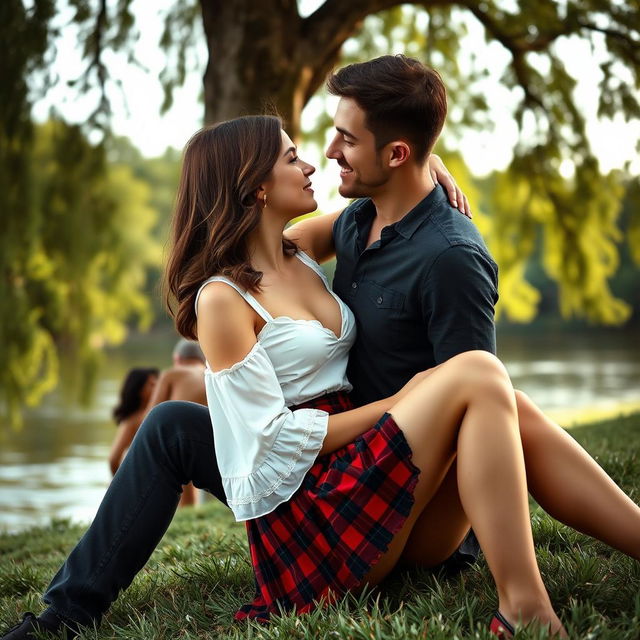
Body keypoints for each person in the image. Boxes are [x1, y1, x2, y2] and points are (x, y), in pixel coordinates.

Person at [2, 57, 639, 639]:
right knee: (476, 374)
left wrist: (423, 157)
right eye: (293, 157)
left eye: (328, 146)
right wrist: (401, 401)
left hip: (353, 469)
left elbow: (399, 186)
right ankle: (525, 606)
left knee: (513, 403)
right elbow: (271, 442)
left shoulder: (302, 251)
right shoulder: (229, 296)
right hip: (314, 510)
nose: (317, 161)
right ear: (255, 186)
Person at [145, 338, 207, 506]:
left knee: (176, 435)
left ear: (177, 358)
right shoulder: (211, 373)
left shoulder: (171, 374)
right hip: (214, 444)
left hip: (184, 445)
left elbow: (150, 418)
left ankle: (185, 508)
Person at [108, 368, 159, 475]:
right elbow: (113, 459)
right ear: (139, 389)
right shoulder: (133, 420)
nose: (158, 386)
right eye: (152, 384)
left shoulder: (149, 415)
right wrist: (125, 485)